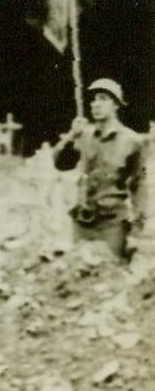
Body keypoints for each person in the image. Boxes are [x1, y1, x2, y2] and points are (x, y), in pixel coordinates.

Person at [53, 78, 147, 261]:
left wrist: (137, 228)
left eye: (103, 98)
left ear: (116, 104)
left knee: (109, 275)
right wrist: (72, 135)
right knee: (78, 275)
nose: (95, 104)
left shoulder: (132, 141)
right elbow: (61, 164)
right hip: (83, 222)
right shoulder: (84, 134)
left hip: (112, 224)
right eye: (93, 99)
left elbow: (139, 185)